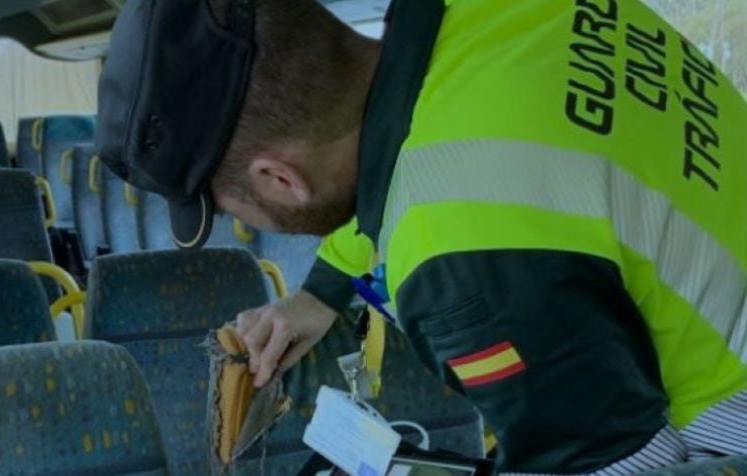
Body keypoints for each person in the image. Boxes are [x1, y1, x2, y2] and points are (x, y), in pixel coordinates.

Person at [95, 0, 747, 473]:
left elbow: (623, 463)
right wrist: (320, 294)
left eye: (229, 207)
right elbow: (409, 150)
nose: (244, 225)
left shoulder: (458, 264)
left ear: (279, 179)